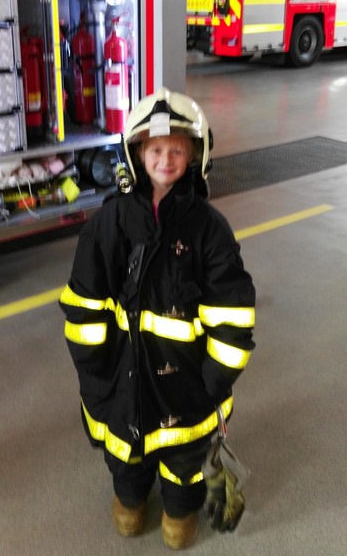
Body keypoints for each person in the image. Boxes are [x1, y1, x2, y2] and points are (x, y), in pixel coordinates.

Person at [59, 87, 256, 550]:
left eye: (176, 151)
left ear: (195, 156)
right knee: (125, 455)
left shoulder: (209, 231)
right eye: (155, 150)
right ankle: (130, 501)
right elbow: (85, 305)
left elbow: (232, 315)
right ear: (137, 155)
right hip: (120, 378)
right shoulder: (107, 225)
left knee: (184, 460)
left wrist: (213, 382)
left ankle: (178, 514)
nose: (165, 160)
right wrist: (95, 374)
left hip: (188, 387)